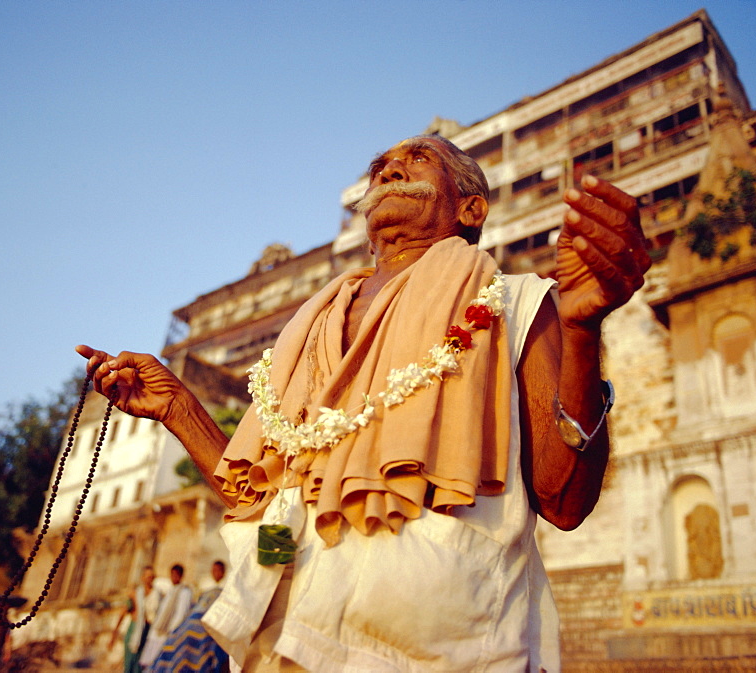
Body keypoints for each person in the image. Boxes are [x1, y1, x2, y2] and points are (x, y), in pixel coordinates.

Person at [79, 134, 650, 672]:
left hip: (436, 650)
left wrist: (581, 332)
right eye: (380, 166)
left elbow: (566, 502)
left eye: (418, 158)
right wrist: (180, 409)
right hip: (278, 641)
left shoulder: (515, 303)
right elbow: (262, 500)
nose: (390, 168)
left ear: (470, 209)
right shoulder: (307, 331)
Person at [152, 561, 231, 673]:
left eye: (219, 570)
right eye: (214, 570)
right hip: (193, 627)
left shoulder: (227, 587)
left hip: (214, 627)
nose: (216, 573)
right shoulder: (204, 584)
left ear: (223, 572)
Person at [139, 563, 194, 670]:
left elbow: (180, 615)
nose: (174, 577)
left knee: (160, 664)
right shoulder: (170, 591)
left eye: (176, 575)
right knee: (148, 664)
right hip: (157, 632)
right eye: (172, 574)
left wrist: (171, 633)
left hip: (167, 634)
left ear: (181, 576)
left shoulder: (185, 592)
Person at [109, 565, 160, 673]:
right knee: (129, 666)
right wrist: (114, 634)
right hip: (134, 632)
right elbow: (122, 613)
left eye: (151, 577)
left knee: (141, 667)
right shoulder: (135, 594)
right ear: (142, 578)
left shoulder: (156, 594)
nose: (149, 579)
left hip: (147, 633)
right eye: (147, 576)